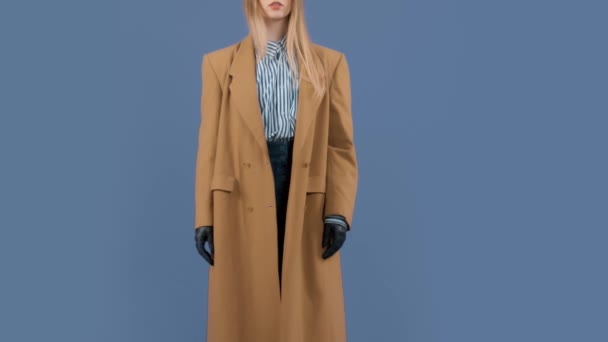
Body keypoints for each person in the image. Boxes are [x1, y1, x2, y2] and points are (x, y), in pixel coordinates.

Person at [193, 0, 358, 341]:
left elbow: (340, 146)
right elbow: (208, 146)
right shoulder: (218, 65)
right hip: (240, 195)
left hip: (305, 194)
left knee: (305, 314)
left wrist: (338, 213)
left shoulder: (329, 64)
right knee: (249, 309)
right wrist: (204, 216)